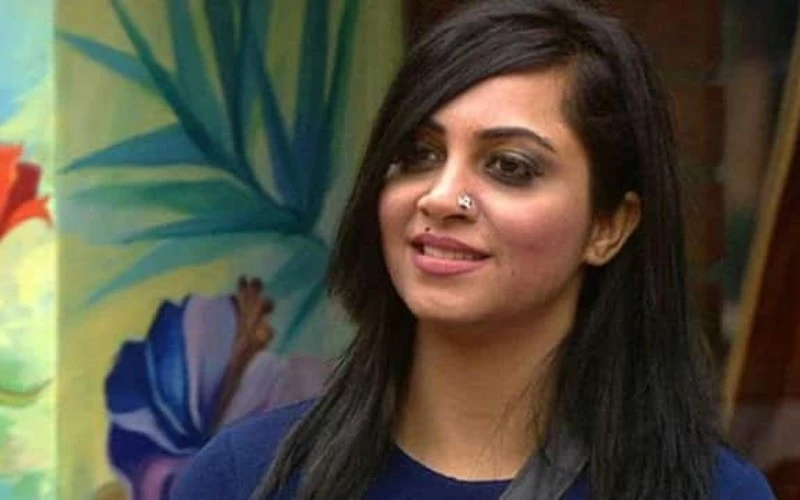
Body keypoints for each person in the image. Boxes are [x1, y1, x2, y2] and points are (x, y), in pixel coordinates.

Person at [171, 0, 775, 498]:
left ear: (608, 226)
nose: (441, 197)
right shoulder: (244, 479)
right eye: (419, 154)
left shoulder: (712, 492)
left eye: (509, 165)